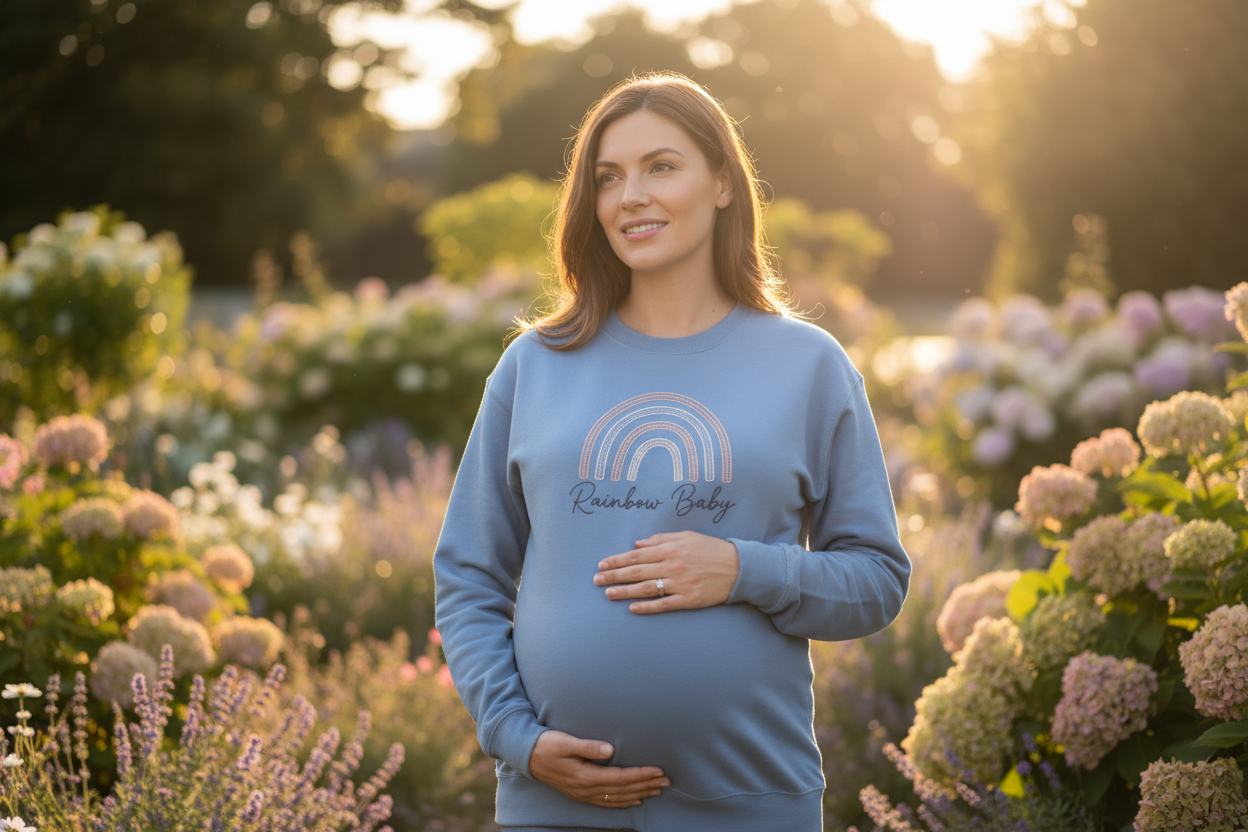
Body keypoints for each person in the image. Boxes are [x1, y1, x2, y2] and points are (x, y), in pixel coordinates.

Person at [432, 72, 911, 832]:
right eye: (608, 178)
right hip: (555, 809)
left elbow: (876, 582)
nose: (631, 197)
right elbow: (468, 572)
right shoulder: (534, 364)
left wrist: (742, 569)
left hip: (750, 806)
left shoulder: (808, 365)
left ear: (723, 182)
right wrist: (514, 737)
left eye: (661, 166)